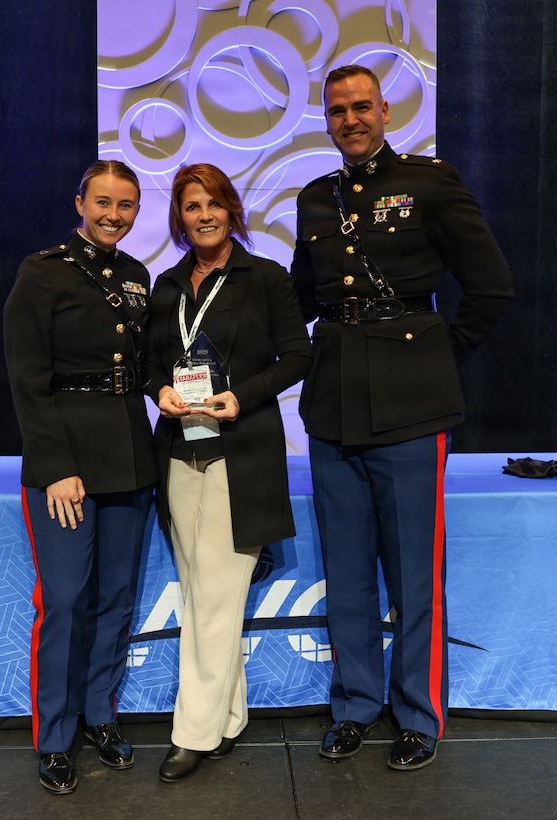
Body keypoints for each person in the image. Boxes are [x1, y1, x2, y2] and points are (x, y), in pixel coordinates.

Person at [290, 65, 514, 771]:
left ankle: (416, 716)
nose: (349, 119)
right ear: (326, 119)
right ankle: (354, 705)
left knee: (413, 574)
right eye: (336, 111)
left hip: (412, 407)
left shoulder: (429, 182)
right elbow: (299, 297)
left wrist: (434, 359)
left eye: (360, 107)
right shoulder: (314, 199)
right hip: (332, 404)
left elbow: (491, 287)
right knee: (346, 570)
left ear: (385, 110)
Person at [147, 163, 311, 783]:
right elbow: (145, 364)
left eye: (214, 203)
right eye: (192, 206)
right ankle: (229, 718)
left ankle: (191, 733)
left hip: (239, 457)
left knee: (215, 600)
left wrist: (243, 394)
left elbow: (299, 354)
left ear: (232, 209)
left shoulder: (265, 278)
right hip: (179, 455)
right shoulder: (166, 285)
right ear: (179, 218)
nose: (204, 215)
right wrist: (158, 387)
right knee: (199, 595)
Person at [3, 159, 158, 794]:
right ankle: (57, 736)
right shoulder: (42, 273)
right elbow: (27, 382)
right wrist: (58, 467)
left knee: (116, 599)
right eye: (103, 202)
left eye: (126, 205)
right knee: (64, 601)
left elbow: (144, 365)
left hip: (129, 455)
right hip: (65, 464)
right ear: (79, 203)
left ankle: (101, 714)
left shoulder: (137, 276)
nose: (113, 214)